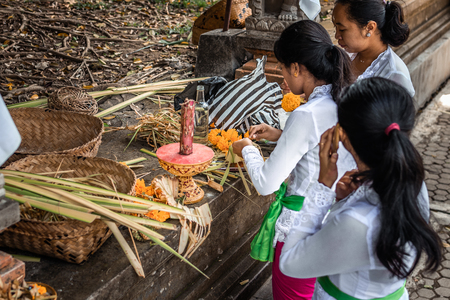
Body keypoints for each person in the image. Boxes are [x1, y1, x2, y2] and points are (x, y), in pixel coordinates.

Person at [279, 78, 442, 299]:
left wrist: (323, 187)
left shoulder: (359, 222)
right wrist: (344, 200)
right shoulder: (412, 182)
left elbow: (290, 263)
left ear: (344, 135)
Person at [232, 20, 355, 300]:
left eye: (283, 67)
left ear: (298, 67)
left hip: (302, 232)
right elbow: (319, 145)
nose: (282, 77)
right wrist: (281, 134)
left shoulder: (306, 114)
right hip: (336, 225)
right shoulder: (345, 96)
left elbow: (266, 183)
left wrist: (247, 149)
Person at [332, 0, 415, 96]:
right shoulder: (347, 55)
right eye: (335, 28)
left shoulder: (394, 73)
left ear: (370, 27)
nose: (337, 35)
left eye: (342, 29)